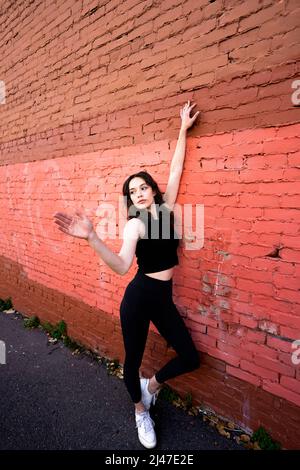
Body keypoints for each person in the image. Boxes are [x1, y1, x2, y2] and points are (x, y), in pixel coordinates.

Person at [53, 100, 201, 449]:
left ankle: (152, 388)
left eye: (142, 187)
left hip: (163, 299)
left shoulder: (165, 211)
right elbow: (121, 266)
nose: (139, 194)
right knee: (132, 361)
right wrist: (91, 237)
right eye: (132, 192)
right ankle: (139, 411)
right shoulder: (135, 225)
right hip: (138, 298)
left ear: (152, 190)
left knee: (190, 356)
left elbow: (177, 169)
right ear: (132, 200)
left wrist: (182, 130)